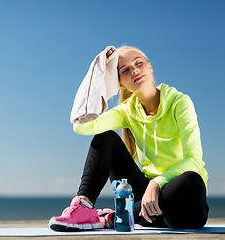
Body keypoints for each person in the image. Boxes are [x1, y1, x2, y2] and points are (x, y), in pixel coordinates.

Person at [49, 46, 209, 231]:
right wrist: (99, 72)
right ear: (120, 83)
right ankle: (83, 209)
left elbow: (194, 161)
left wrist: (157, 184)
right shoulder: (127, 111)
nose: (134, 70)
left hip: (182, 207)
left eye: (139, 63)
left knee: (191, 179)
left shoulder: (180, 103)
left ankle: (113, 218)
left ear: (149, 67)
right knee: (106, 138)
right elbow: (81, 126)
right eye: (125, 70)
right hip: (145, 202)